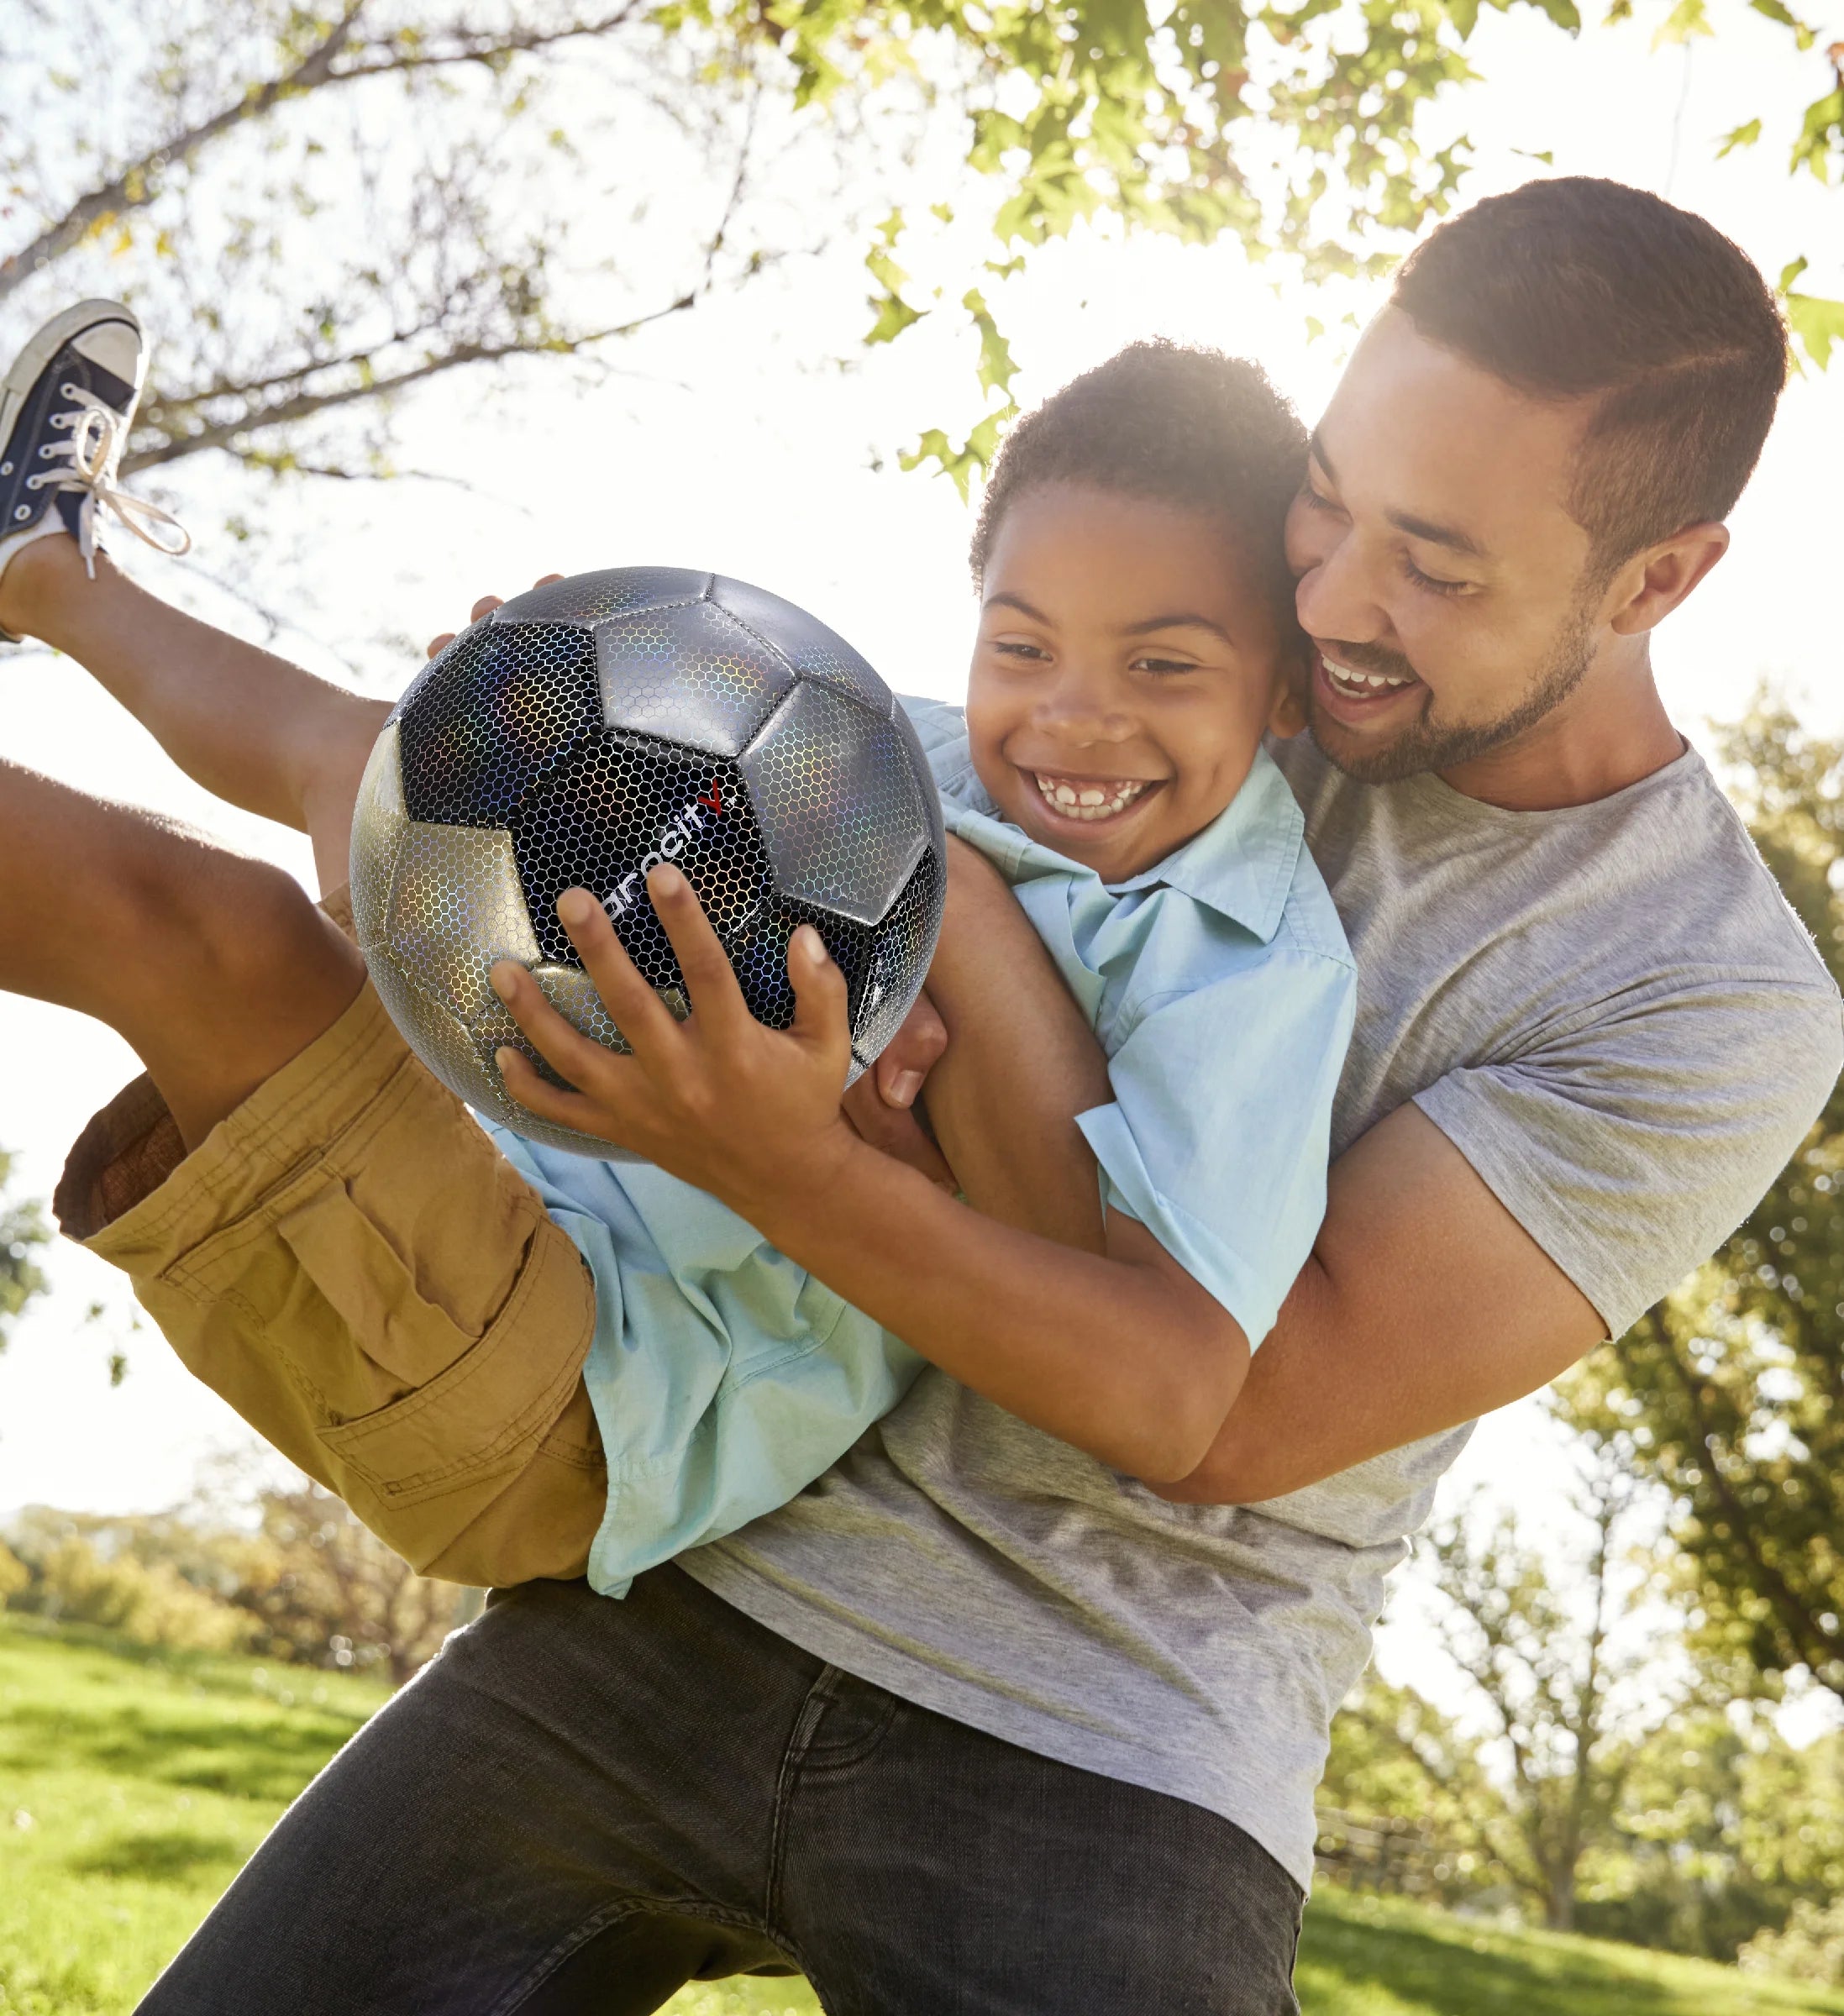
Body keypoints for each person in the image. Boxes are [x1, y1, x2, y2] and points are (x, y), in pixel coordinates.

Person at [4, 173, 1839, 2014]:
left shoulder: (1699, 991)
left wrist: (814, 1128)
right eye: (1333, 505)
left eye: (1435, 565)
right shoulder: (1107, 678)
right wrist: (542, 723)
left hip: (1113, 1730)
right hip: (696, 1570)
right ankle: (58, 575)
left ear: (1660, 577)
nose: (1338, 596)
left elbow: (1226, 1412)